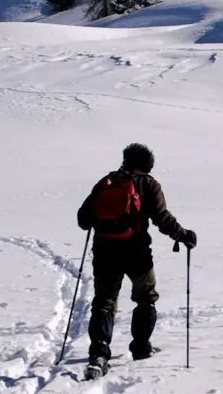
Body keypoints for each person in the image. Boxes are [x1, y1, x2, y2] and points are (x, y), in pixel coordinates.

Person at [76, 143, 196, 377]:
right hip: (137, 251)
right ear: (147, 163)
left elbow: (83, 219)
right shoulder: (149, 185)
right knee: (145, 296)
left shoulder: (106, 182)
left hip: (105, 251)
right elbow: (162, 218)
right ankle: (141, 348)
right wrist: (183, 235)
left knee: (104, 301)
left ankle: (99, 354)